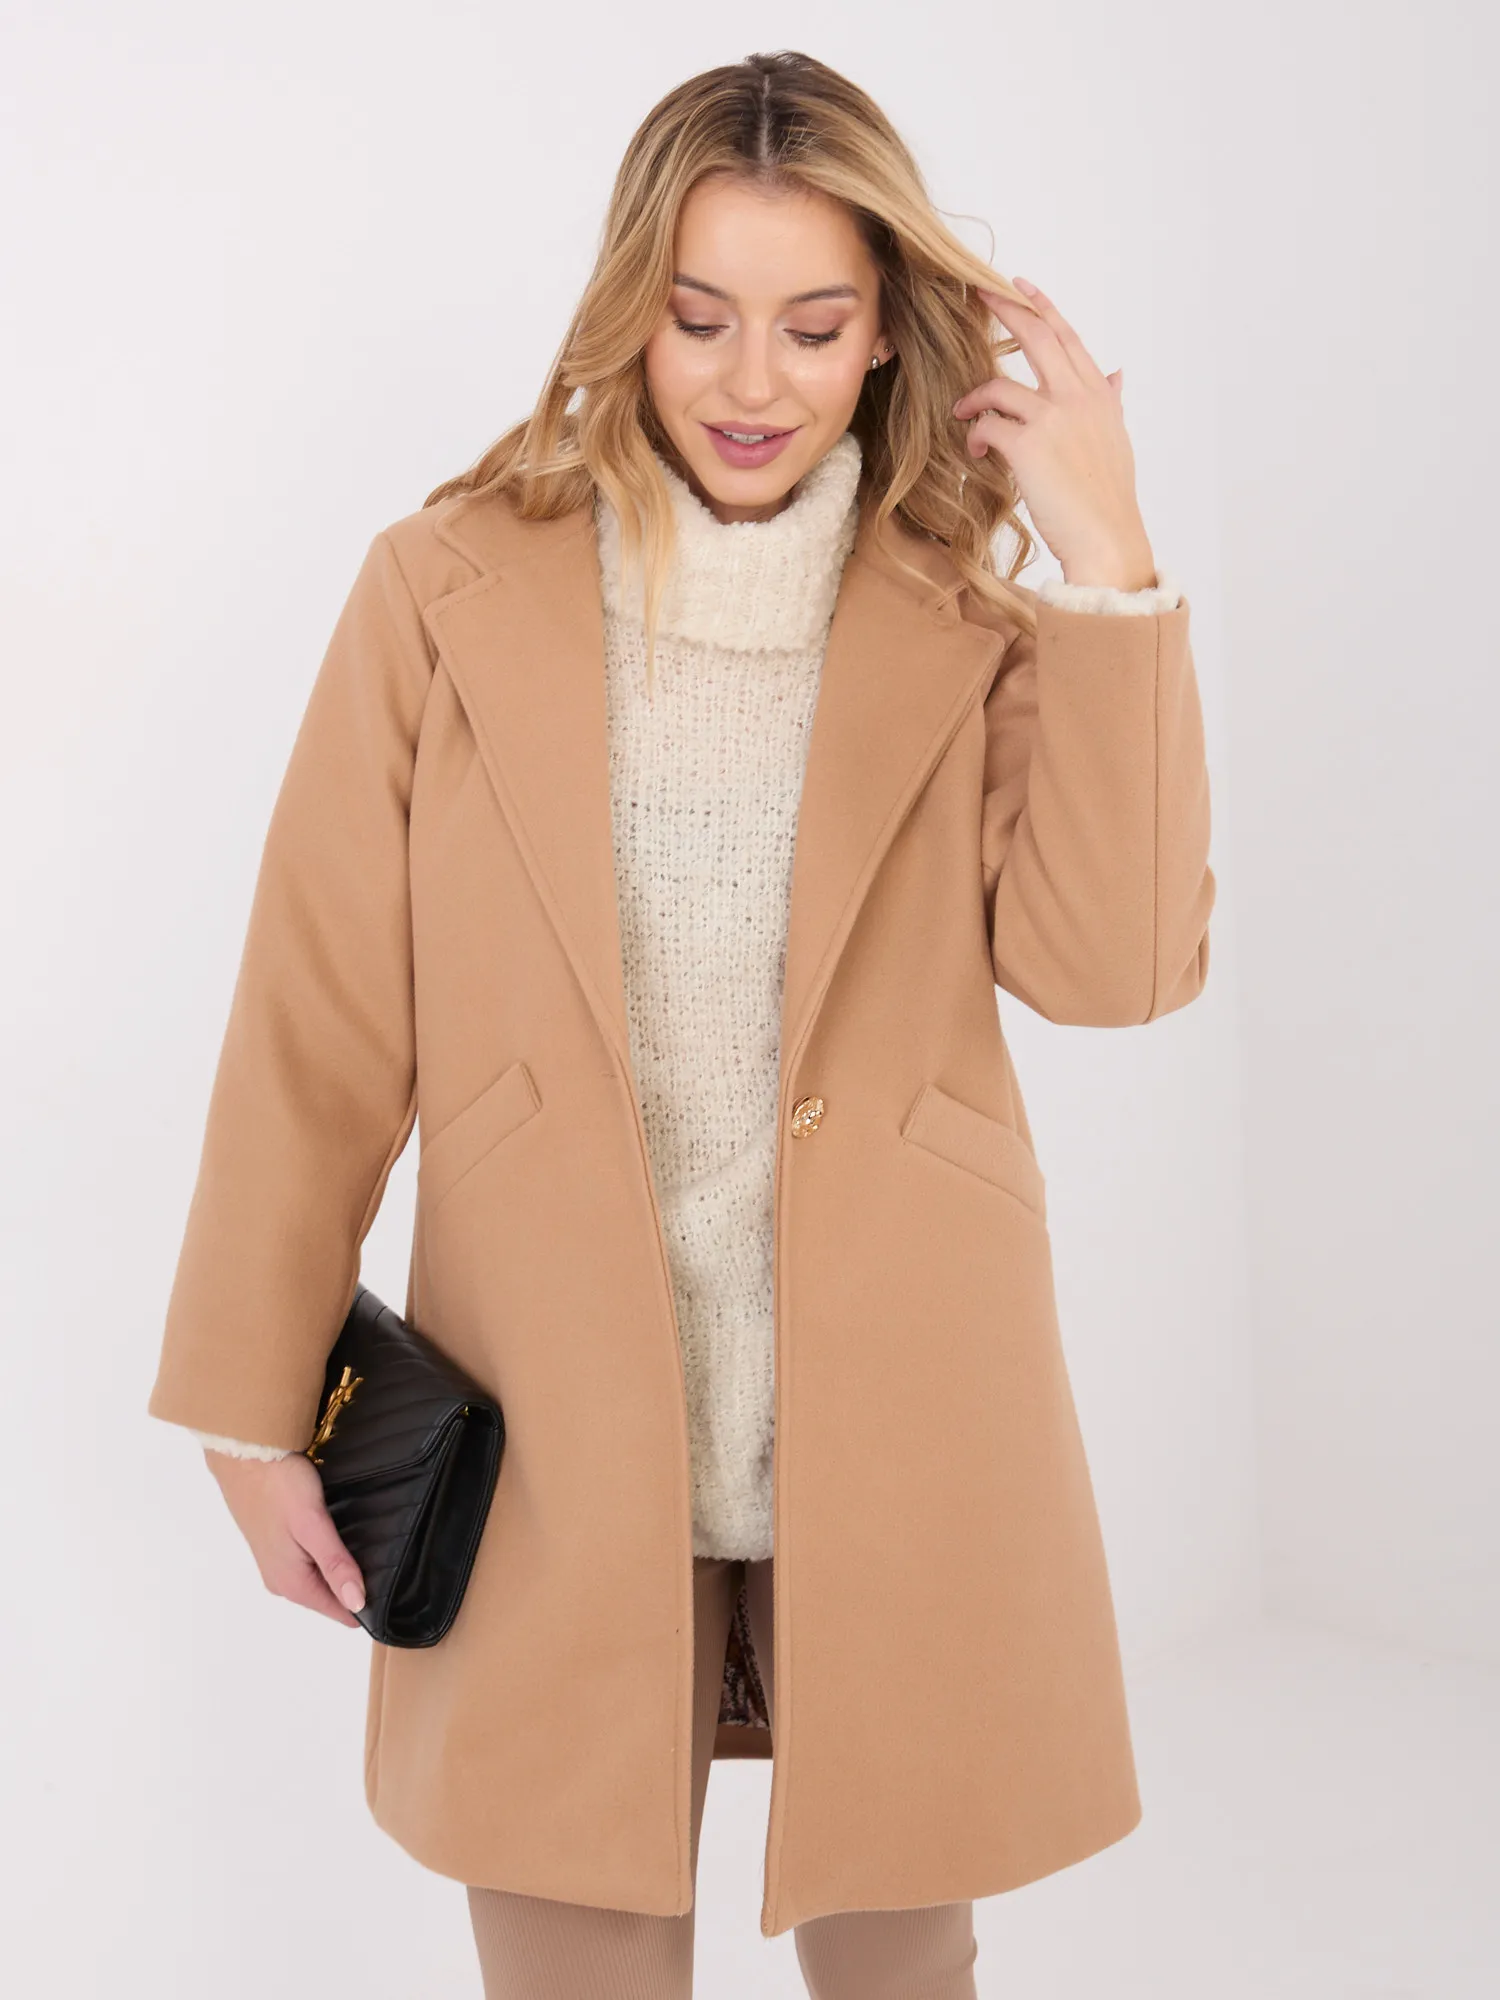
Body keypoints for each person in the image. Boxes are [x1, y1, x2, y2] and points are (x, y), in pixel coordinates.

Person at [147, 47, 1214, 2000]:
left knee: (905, 1963)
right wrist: (247, 1400)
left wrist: (1110, 563)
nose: (751, 380)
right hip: (546, 1418)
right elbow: (317, 1017)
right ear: (630, 304)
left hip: (900, 1415)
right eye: (700, 315)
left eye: (813, 325)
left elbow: (1116, 969)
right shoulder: (442, 590)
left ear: (886, 333)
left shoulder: (972, 616)